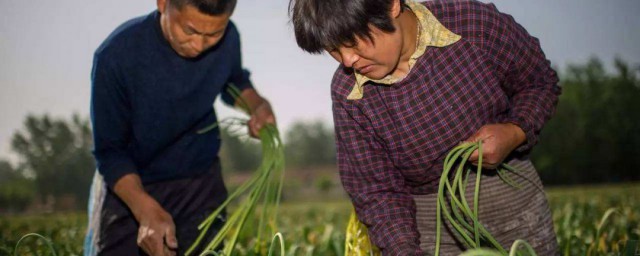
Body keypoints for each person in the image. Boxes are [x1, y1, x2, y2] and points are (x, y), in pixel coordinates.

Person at [289, 0, 560, 255]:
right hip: (429, 230)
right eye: (334, 49)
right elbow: (376, 191)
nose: (347, 61)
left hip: (514, 207)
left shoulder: (473, 25)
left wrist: (514, 131)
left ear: (391, 4)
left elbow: (538, 82)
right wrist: (405, 250)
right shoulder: (347, 92)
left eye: (353, 41)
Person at [85, 0, 275, 255]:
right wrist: (144, 208)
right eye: (189, 31)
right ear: (163, 3)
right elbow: (110, 153)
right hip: (132, 184)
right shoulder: (115, 57)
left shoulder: (229, 38)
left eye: (213, 34)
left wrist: (257, 105)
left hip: (199, 181)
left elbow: (234, 81)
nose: (199, 45)